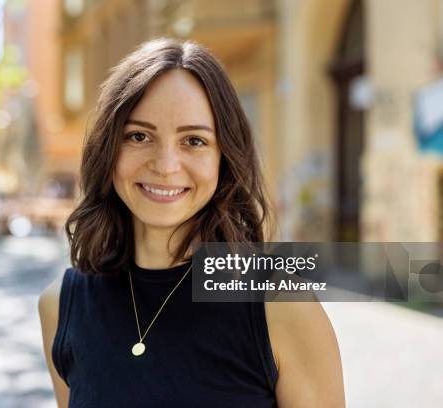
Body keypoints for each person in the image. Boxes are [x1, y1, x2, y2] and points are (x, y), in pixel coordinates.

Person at [38, 38, 345, 408]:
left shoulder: (279, 305)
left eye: (194, 141)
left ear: (224, 159)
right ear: (108, 151)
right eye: (139, 136)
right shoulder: (61, 306)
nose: (166, 165)